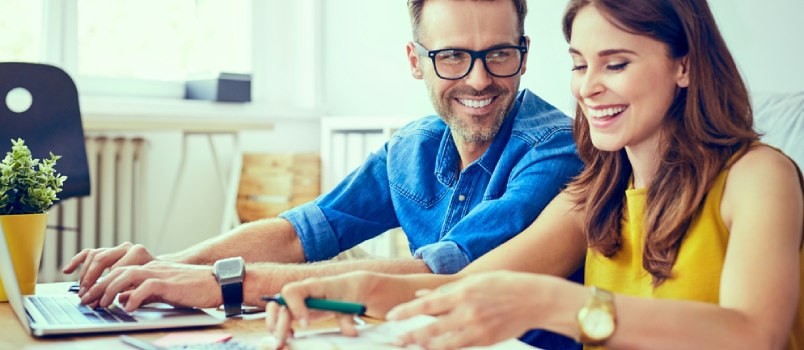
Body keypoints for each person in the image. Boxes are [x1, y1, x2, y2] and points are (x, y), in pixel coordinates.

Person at [267, 0, 804, 349]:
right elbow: (461, 286)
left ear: (684, 65)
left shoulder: (758, 178)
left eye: (615, 64)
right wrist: (346, 290)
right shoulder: (596, 192)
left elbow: (754, 333)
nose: (587, 87)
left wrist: (556, 303)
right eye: (578, 64)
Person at [65, 0, 583, 346]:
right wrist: (169, 266)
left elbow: (447, 276)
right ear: (415, 60)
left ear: (524, 54)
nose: (479, 78)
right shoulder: (413, 147)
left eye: (498, 54)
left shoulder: (556, 150)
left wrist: (221, 284)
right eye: (451, 56)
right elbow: (303, 231)